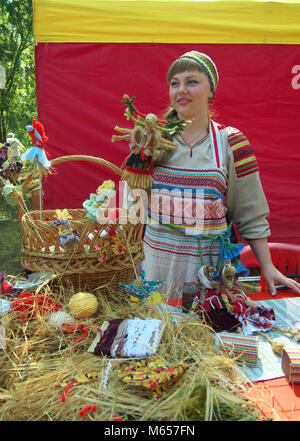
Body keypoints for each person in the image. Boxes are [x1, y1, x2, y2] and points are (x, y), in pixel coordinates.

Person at [142, 50, 300, 298]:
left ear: (211, 91)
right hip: (154, 272)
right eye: (175, 83)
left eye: (191, 81)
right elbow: (136, 203)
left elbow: (250, 211)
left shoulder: (231, 144)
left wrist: (267, 266)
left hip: (207, 276)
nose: (181, 89)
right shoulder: (153, 141)